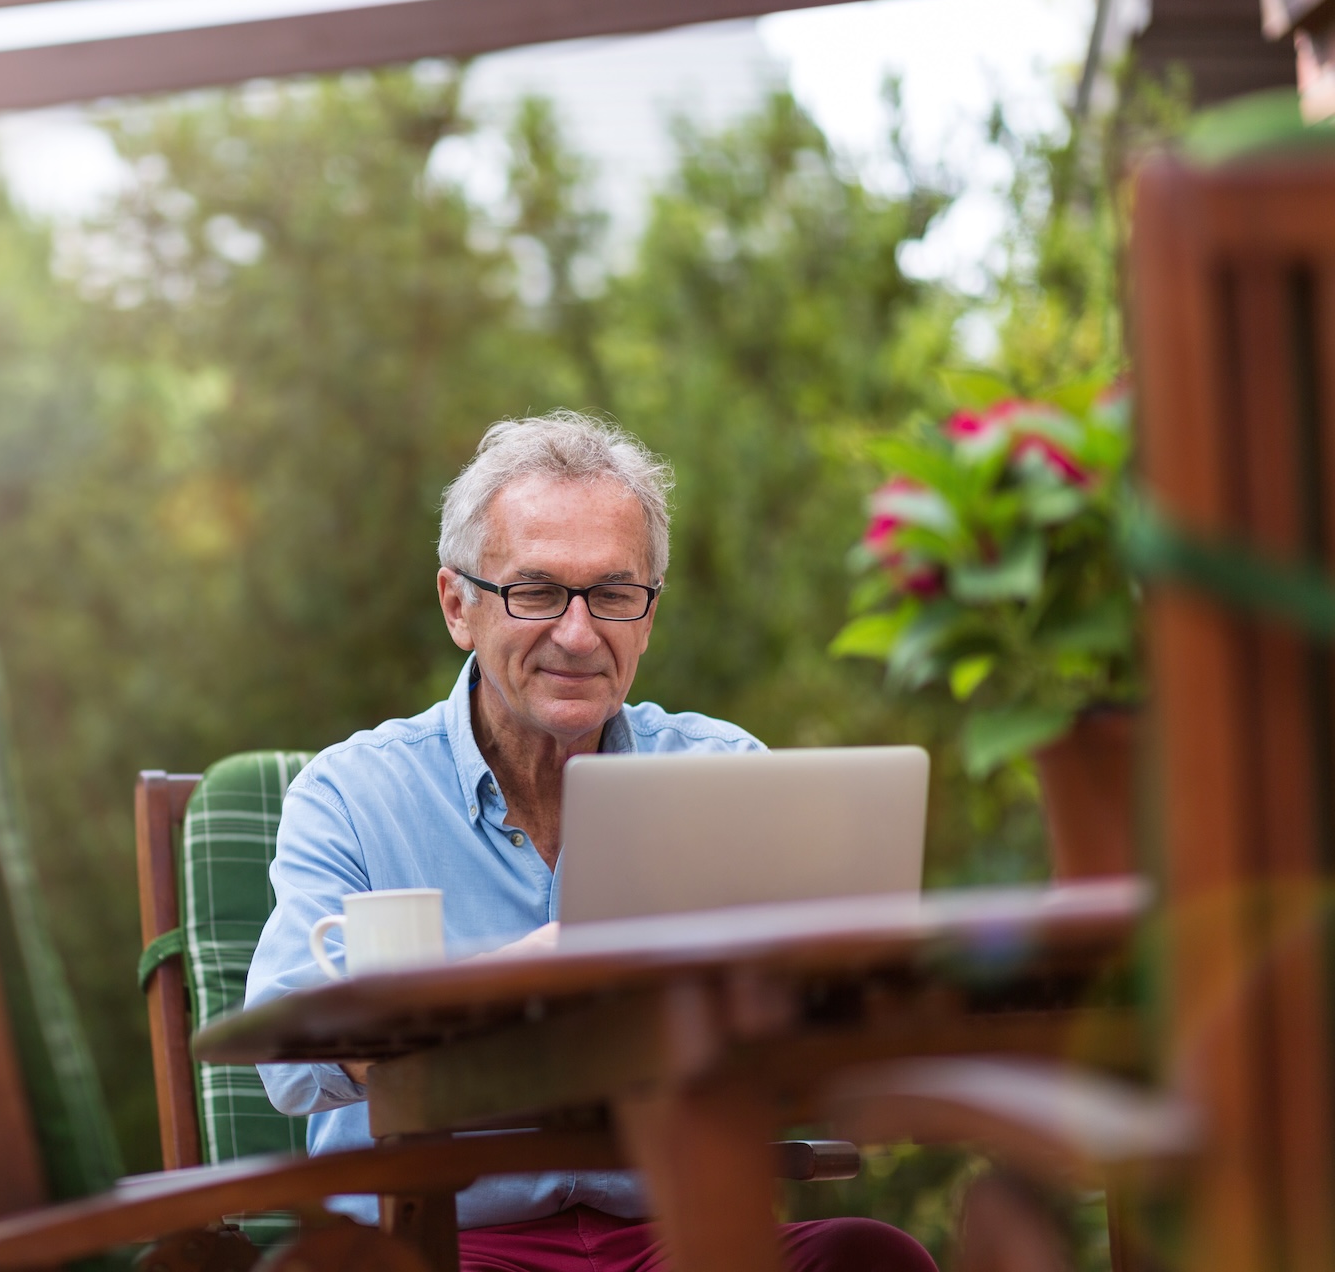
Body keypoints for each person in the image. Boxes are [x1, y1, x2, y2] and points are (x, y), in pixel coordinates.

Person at [244, 412, 937, 1272]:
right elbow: (290, 1062)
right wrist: (521, 980)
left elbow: (819, 1031)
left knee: (871, 1257)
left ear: (647, 617)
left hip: (681, 1237)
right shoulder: (352, 794)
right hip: (446, 1244)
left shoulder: (724, 773)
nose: (578, 634)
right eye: (535, 592)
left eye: (613, 595)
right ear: (459, 605)